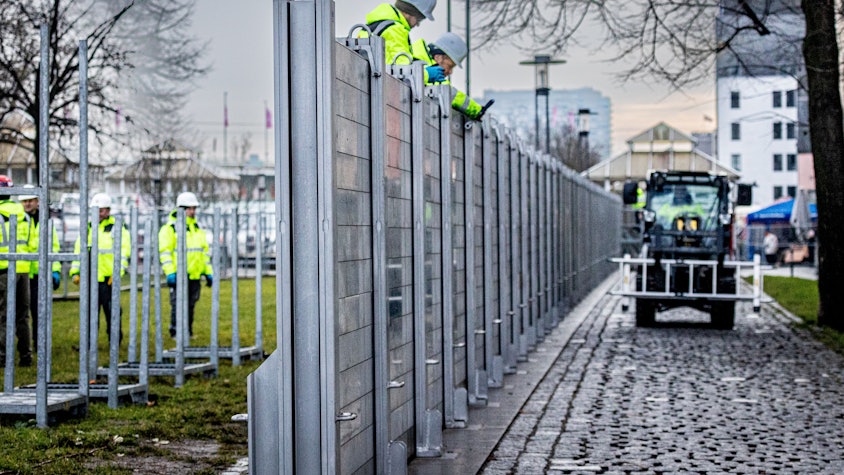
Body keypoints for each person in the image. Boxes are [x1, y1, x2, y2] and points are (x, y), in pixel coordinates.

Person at [69, 192, 131, 343]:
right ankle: (88, 343)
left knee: (112, 311)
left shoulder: (116, 228)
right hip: (89, 279)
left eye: (101, 210)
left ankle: (114, 341)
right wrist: (75, 271)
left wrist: (117, 273)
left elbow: (124, 251)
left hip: (108, 279)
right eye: (95, 210)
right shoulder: (88, 228)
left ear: (108, 211)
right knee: (89, 313)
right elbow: (79, 250)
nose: (98, 213)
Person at [158, 192, 213, 339]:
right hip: (178, 274)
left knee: (191, 304)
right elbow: (165, 253)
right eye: (189, 208)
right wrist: (170, 272)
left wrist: (208, 272)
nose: (193, 212)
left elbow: (203, 253)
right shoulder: (170, 229)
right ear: (181, 209)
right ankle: (175, 332)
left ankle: (188, 331)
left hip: (194, 274)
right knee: (177, 304)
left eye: (194, 208)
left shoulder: (197, 228)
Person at [410, 32, 494, 121]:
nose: (450, 72)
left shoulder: (419, 59)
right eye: (450, 66)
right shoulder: (422, 65)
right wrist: (476, 111)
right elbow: (449, 93)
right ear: (438, 57)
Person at [20, 184, 61, 351]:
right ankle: (23, 345)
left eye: (30, 200)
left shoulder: (47, 222)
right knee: (20, 313)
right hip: (22, 273)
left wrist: (55, 270)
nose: (27, 204)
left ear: (37, 201)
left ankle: (39, 343)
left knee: (39, 311)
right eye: (24, 201)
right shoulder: (18, 220)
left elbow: (53, 247)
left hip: (40, 274)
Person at [0, 175, 33, 366]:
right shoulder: (24, 215)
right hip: (23, 269)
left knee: (3, 315)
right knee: (22, 316)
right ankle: (25, 356)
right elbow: (31, 244)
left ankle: (2, 357)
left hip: (3, 270)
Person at [363, 1, 440, 75]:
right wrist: (427, 74)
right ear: (409, 12)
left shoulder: (379, 24)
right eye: (419, 19)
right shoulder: (395, 30)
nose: (417, 24)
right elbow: (403, 70)